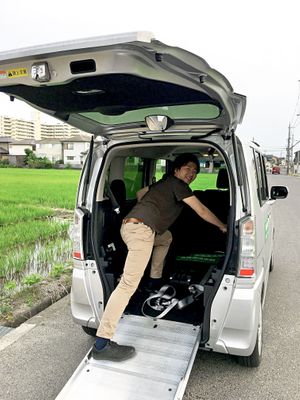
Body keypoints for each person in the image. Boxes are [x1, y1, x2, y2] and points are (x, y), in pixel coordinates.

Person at [92, 153, 227, 362]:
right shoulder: (178, 185)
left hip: (130, 227)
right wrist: (222, 225)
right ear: (176, 170)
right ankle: (102, 344)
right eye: (188, 168)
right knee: (127, 285)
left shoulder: (164, 183)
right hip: (141, 232)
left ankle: (154, 282)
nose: (191, 174)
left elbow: (139, 193)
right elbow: (200, 210)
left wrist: (151, 208)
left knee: (166, 238)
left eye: (195, 171)